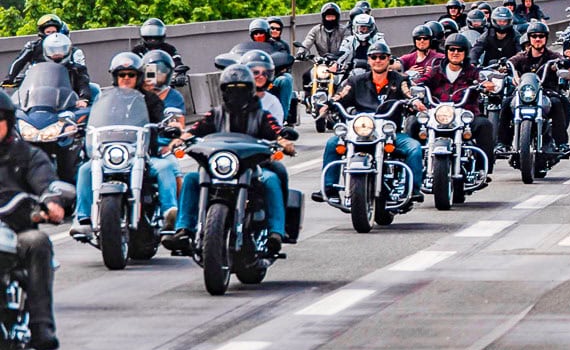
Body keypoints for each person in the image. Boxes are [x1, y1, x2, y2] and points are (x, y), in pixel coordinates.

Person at [166, 64, 292, 254]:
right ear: (223, 91)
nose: (236, 94)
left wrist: (284, 141)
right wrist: (179, 139)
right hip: (220, 167)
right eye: (231, 89)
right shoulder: (216, 114)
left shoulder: (261, 115)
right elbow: (195, 130)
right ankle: (184, 229)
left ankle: (276, 232)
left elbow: (276, 132)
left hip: (252, 167)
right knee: (192, 179)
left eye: (241, 89)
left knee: (271, 179)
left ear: (250, 90)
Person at [69, 54, 181, 243]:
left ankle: (168, 216)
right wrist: (79, 126)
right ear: (116, 77)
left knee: (165, 168)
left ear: (138, 76)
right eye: (122, 75)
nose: (126, 78)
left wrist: (168, 124)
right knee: (85, 169)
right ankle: (83, 219)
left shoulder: (150, 99)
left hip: (143, 154)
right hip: (110, 155)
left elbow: (162, 117)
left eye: (130, 74)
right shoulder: (104, 99)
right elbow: (93, 118)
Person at [0, 89, 73, 350]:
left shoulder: (27, 155)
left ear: (9, 122)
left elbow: (46, 182)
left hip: (17, 232)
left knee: (39, 241)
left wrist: (52, 202)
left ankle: (41, 324)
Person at [319, 42, 423, 201]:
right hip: (361, 131)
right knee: (333, 143)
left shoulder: (399, 79)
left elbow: (407, 93)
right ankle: (329, 189)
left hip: (390, 133)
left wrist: (414, 101)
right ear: (368, 60)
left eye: (382, 57)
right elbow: (341, 95)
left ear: (389, 59)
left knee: (414, 147)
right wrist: (329, 104)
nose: (378, 60)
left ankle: (413, 190)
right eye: (374, 57)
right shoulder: (356, 81)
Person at [419, 34, 494, 159]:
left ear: (466, 52)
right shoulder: (436, 71)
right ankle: (413, 164)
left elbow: (481, 80)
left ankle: (483, 168)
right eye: (452, 49)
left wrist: (486, 85)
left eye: (460, 50)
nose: (455, 53)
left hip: (465, 116)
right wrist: (415, 87)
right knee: (413, 122)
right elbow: (422, 82)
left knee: (485, 125)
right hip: (438, 116)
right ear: (447, 51)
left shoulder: (472, 71)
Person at [508, 22, 570, 158]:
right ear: (529, 38)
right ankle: (502, 142)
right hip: (525, 93)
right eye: (534, 36)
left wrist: (563, 64)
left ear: (546, 38)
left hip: (546, 92)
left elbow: (564, 62)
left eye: (541, 36)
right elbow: (510, 62)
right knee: (506, 103)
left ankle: (561, 143)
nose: (538, 39)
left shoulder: (552, 56)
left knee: (558, 102)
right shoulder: (522, 57)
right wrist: (505, 66)